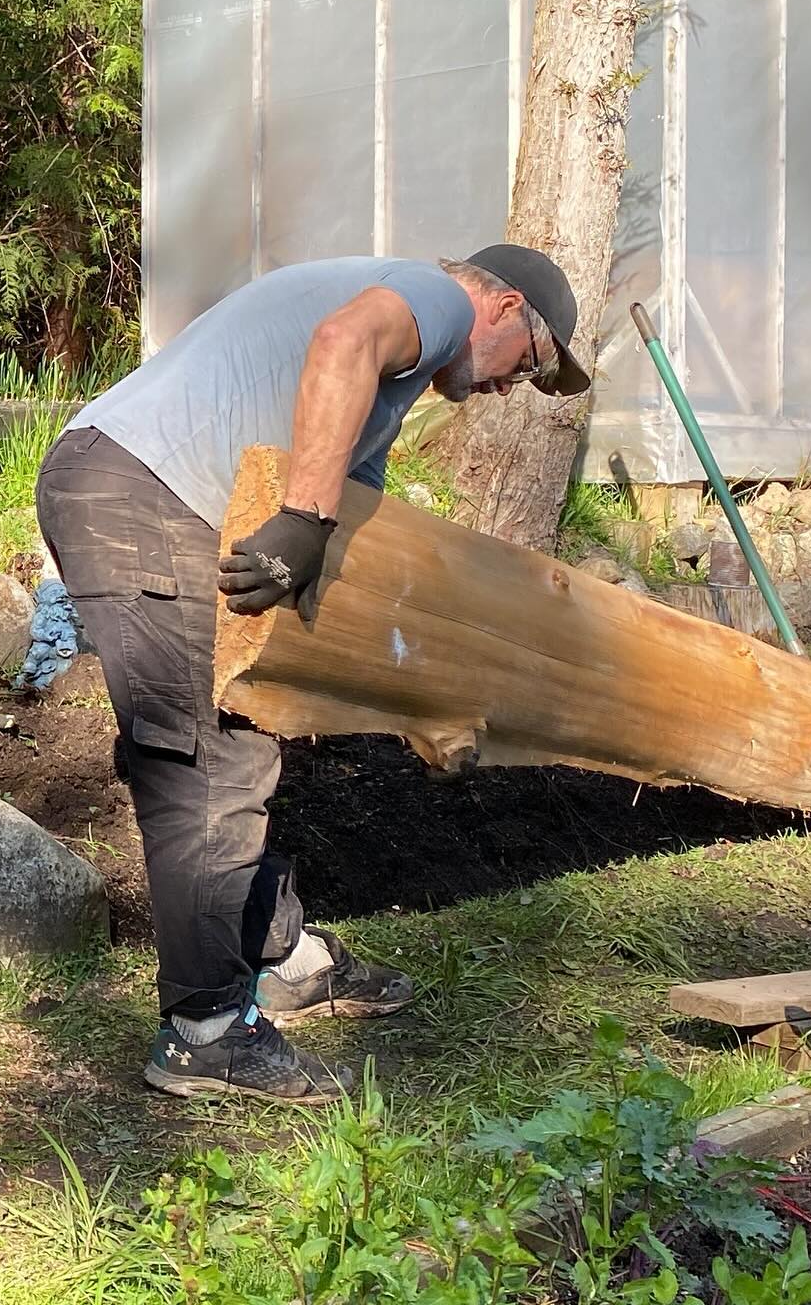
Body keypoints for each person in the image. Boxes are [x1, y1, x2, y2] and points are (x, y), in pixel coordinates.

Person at [35, 246, 589, 1105]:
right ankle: (206, 1031)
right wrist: (303, 516)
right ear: (507, 306)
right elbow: (342, 344)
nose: (513, 387)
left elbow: (353, 510)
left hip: (132, 482)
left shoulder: (392, 376)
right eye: (532, 362)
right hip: (146, 493)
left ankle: (280, 955)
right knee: (210, 757)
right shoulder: (435, 300)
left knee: (248, 721)